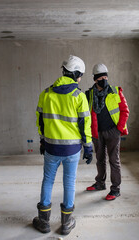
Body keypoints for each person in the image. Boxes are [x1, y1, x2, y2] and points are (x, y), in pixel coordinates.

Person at [33, 55, 93, 235]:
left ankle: (43, 221)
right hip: (72, 149)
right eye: (80, 75)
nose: (80, 78)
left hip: (51, 147)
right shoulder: (79, 96)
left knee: (48, 180)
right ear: (75, 74)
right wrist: (88, 146)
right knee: (69, 182)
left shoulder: (46, 93)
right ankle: (66, 222)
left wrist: (43, 140)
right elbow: (85, 124)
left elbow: (40, 120)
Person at [85, 63, 129, 201]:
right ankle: (100, 183)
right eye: (100, 77)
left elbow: (125, 111)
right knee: (100, 159)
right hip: (97, 132)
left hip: (112, 132)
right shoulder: (89, 94)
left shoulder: (115, 91)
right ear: (95, 79)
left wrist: (118, 130)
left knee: (114, 161)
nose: (103, 79)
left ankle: (115, 189)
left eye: (105, 76)